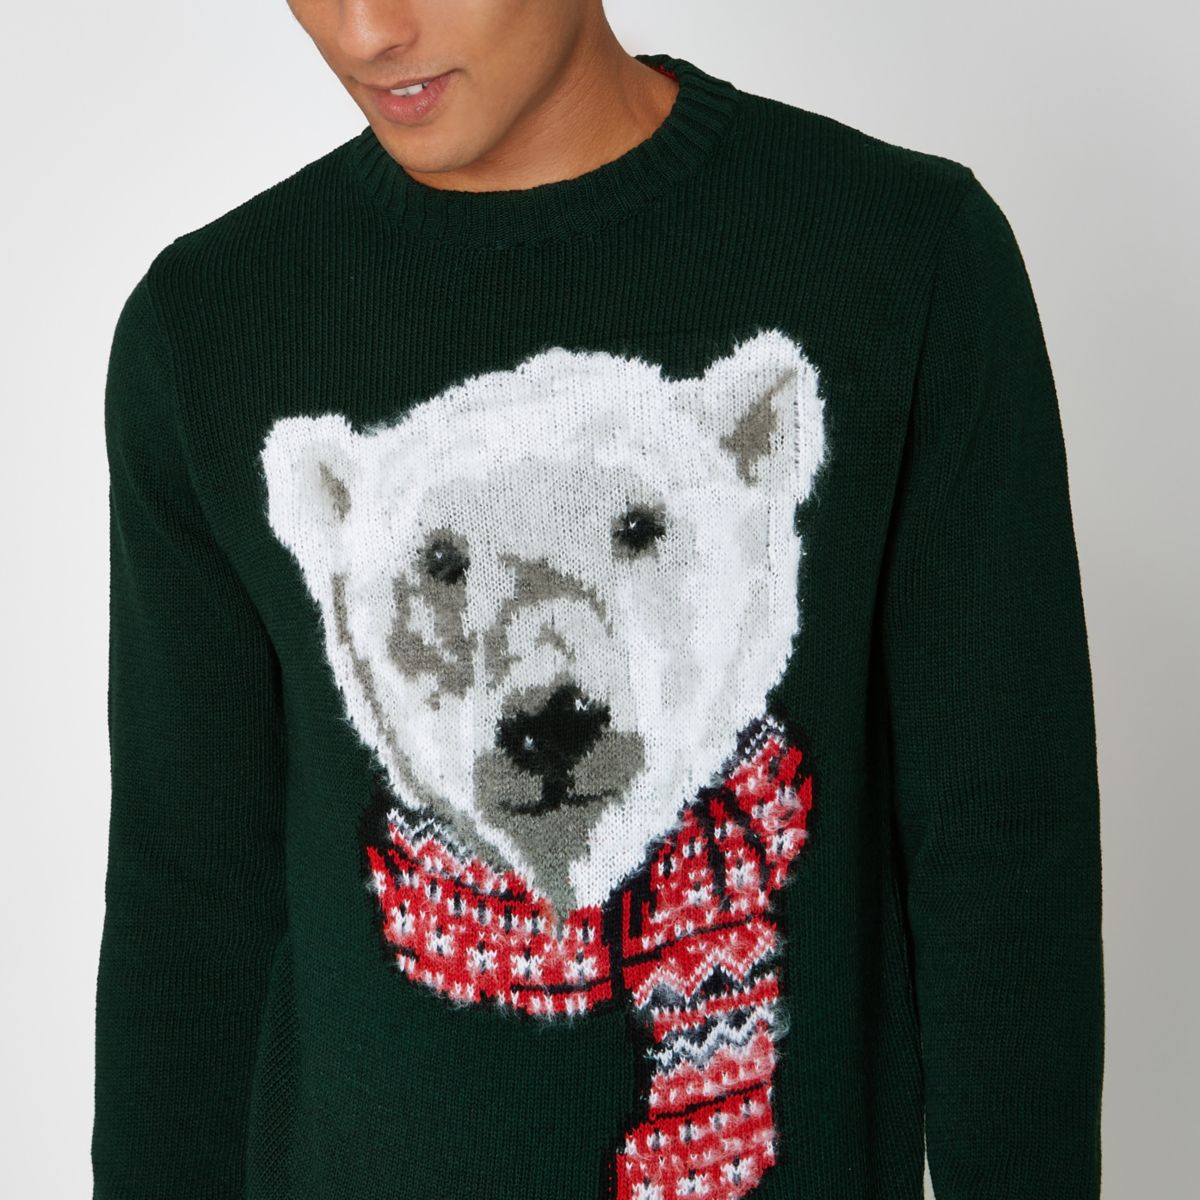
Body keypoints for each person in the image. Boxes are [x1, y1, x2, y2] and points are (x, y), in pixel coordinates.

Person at [92, 2, 1105, 1198]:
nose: (366, 30)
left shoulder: (901, 257)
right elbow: (189, 899)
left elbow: (1000, 851)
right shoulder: (211, 329)